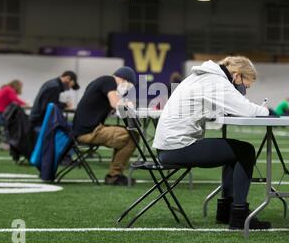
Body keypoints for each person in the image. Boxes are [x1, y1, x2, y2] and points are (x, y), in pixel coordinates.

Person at [153, 56, 271, 230]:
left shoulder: (202, 77)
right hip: (178, 146)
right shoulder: (215, 81)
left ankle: (226, 212)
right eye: (246, 86)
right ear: (237, 76)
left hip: (168, 146)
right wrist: (265, 110)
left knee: (234, 150)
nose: (244, 90)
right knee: (245, 151)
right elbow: (246, 109)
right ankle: (239, 216)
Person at [72, 66, 137, 186]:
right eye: (129, 86)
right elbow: (115, 103)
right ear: (124, 80)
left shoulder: (100, 82)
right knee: (133, 136)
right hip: (89, 131)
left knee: (128, 134)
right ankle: (114, 175)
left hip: (83, 129)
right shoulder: (109, 81)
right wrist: (129, 103)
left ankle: (114, 174)